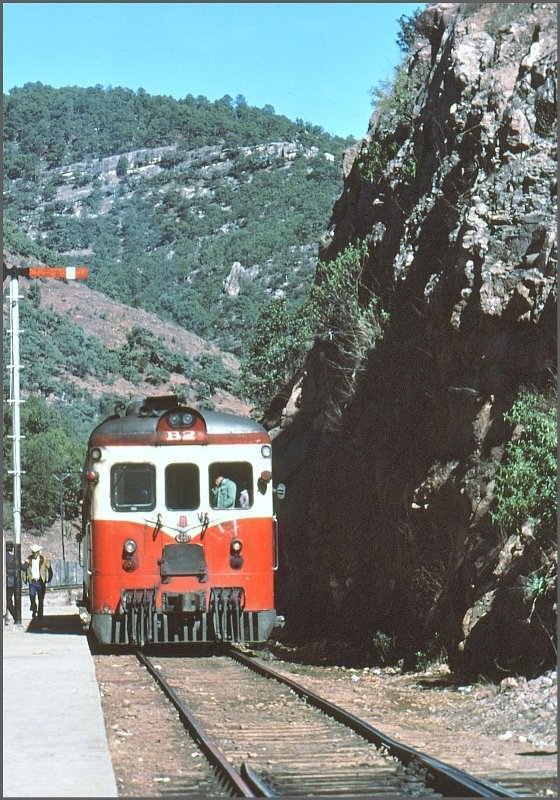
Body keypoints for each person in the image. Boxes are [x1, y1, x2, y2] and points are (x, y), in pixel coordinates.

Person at [22, 544, 52, 619]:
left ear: (38, 552)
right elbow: (24, 569)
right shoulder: (28, 559)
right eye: (33, 552)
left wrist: (49, 578)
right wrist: (24, 578)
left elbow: (49, 569)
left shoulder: (43, 559)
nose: (34, 554)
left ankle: (40, 614)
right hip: (32, 581)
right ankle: (34, 608)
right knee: (32, 595)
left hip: (40, 581)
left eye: (36, 552)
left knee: (40, 599)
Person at [5, 542, 16, 624]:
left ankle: (7, 617)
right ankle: (16, 616)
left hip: (7, 581)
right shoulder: (12, 557)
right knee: (9, 601)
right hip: (10, 582)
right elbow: (21, 567)